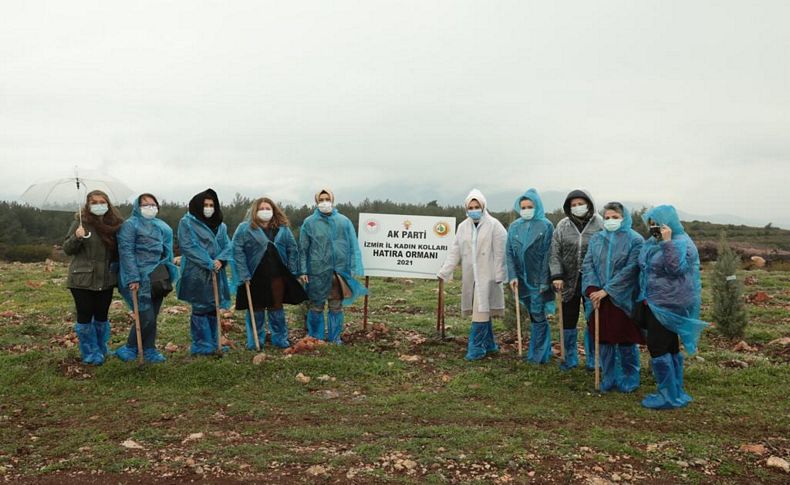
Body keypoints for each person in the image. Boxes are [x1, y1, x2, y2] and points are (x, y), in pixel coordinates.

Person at [637, 205, 708, 409]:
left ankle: (668, 395)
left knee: (658, 347)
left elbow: (676, 269)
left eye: (657, 223)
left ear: (670, 223)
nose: (654, 228)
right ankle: (675, 391)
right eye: (651, 224)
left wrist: (667, 243)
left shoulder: (682, 242)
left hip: (668, 303)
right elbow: (644, 264)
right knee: (669, 346)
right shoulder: (654, 242)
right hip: (653, 300)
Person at [581, 202, 644, 392]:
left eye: (615, 217)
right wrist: (592, 289)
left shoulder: (635, 240)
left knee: (625, 337)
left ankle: (629, 375)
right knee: (604, 338)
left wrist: (607, 290)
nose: (610, 221)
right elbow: (588, 264)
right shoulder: (597, 239)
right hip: (598, 297)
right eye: (607, 217)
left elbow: (631, 269)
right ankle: (609, 375)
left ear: (624, 218)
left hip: (623, 297)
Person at [438, 189, 507, 361]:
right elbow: (455, 251)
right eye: (471, 207)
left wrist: (500, 275)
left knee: (481, 311)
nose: (474, 210)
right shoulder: (463, 227)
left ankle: (475, 349)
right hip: (471, 276)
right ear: (466, 208)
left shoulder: (494, 225)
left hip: (488, 275)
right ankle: (490, 345)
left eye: (477, 206)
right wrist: (445, 271)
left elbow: (501, 252)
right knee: (482, 310)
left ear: (483, 206)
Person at [231, 197, 307, 350]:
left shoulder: (283, 229)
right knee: (256, 309)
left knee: (276, 307)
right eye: (261, 208)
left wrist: (292, 271)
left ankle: (280, 339)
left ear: (274, 211)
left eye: (268, 208)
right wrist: (243, 273)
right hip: (253, 276)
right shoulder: (244, 229)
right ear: (255, 211)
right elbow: (237, 250)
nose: (265, 211)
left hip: (276, 275)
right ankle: (255, 341)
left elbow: (292, 249)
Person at [62, 190, 123, 365]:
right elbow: (67, 249)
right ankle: (89, 352)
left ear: (108, 204)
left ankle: (101, 347)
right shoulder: (80, 223)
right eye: (94, 202)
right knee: (85, 315)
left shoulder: (114, 224)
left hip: (106, 279)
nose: (99, 205)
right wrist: (76, 237)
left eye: (102, 202)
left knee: (102, 315)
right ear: (88, 205)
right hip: (82, 280)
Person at [115, 194, 178, 363]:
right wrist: (132, 278)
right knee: (145, 315)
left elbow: (166, 250)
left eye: (153, 204)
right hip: (137, 277)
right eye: (145, 205)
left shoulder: (160, 226)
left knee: (153, 314)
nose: (150, 208)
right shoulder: (129, 225)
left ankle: (149, 348)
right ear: (137, 206)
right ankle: (130, 347)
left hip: (157, 276)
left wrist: (169, 271)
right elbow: (126, 252)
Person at [298, 189, 366, 343]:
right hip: (316, 272)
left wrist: (354, 267)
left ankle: (335, 338)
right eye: (321, 199)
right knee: (316, 306)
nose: (324, 202)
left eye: (327, 199)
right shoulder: (309, 222)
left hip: (339, 272)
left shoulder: (344, 221)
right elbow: (302, 249)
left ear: (332, 200)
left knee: (335, 305)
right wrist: (302, 270)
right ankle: (316, 337)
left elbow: (353, 246)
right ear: (316, 202)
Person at [550, 189, 604, 370]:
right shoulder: (562, 226)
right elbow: (555, 253)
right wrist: (557, 275)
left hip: (593, 280)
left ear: (589, 204)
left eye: (580, 204)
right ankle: (569, 357)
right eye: (573, 205)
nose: (577, 207)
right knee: (568, 319)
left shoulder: (600, 224)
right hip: (568, 280)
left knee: (593, 318)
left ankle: (594, 359)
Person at [176, 188, 233, 355]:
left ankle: (215, 342)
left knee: (213, 306)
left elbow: (227, 245)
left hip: (217, 269)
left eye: (211, 205)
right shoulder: (186, 222)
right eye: (205, 205)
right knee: (200, 307)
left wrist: (221, 260)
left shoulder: (220, 225)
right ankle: (202, 345)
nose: (209, 208)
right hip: (197, 272)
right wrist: (208, 262)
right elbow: (188, 246)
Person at [505, 188, 555, 363]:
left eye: (529, 206)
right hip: (521, 278)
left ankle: (540, 353)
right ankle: (537, 349)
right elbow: (509, 253)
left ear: (537, 206)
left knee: (538, 313)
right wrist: (512, 275)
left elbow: (548, 255)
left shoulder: (546, 226)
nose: (526, 210)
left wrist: (543, 280)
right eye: (523, 207)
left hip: (538, 278)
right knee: (531, 312)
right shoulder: (514, 226)